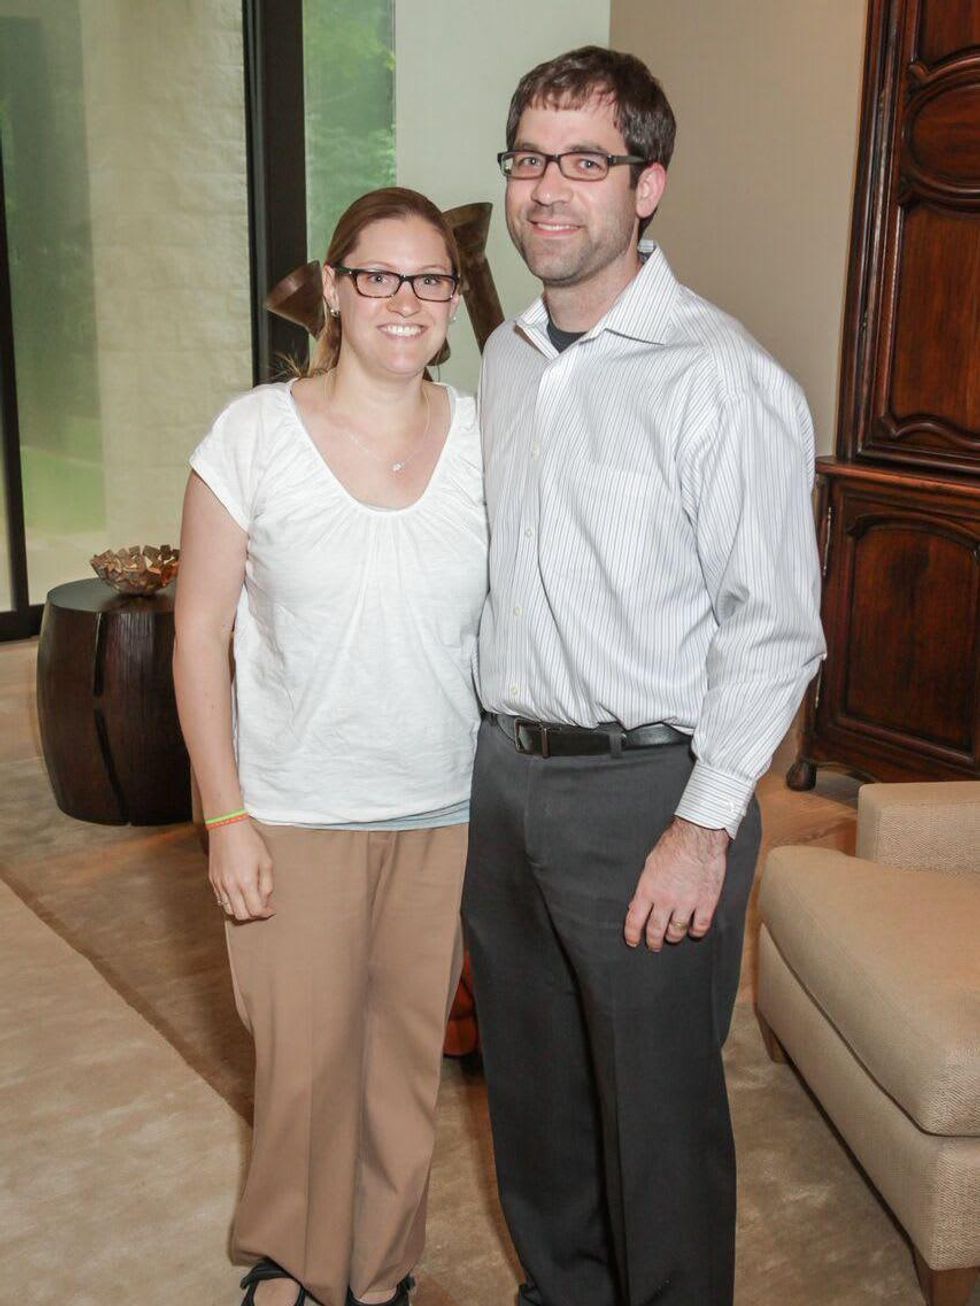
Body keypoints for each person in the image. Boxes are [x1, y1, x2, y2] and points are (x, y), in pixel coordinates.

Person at [462, 46, 825, 1306]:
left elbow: (774, 628)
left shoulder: (721, 379)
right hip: (502, 783)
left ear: (647, 184)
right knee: (537, 1101)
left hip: (647, 797)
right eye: (526, 160)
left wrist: (700, 823)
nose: (545, 190)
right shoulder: (503, 360)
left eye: (583, 161)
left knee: (657, 1127)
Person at [174, 187, 488, 1306]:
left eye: (430, 278)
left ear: (453, 300)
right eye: (378, 276)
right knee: (302, 1067)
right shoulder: (253, 433)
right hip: (293, 814)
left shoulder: (492, 440)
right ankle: (294, 1259)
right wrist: (225, 816)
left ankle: (382, 1266)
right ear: (335, 289)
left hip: (442, 811)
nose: (404, 300)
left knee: (404, 1062)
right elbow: (198, 632)